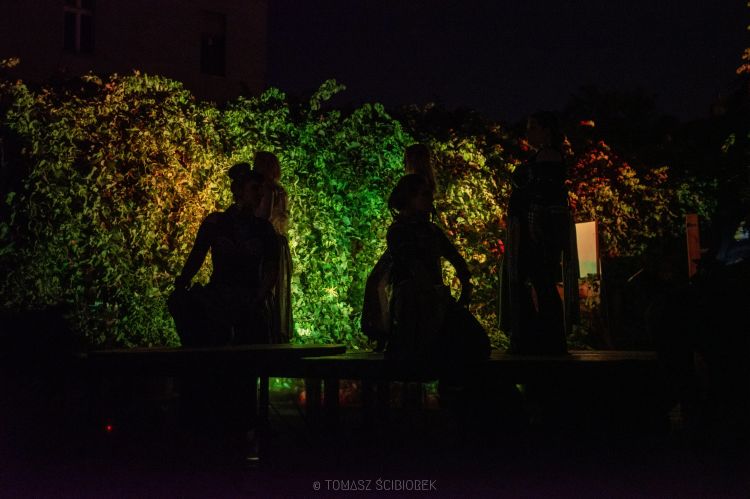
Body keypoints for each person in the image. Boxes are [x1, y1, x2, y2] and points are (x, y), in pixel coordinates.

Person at [170, 163, 280, 347]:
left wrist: (258, 297)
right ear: (239, 191)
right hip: (219, 295)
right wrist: (182, 283)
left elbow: (272, 268)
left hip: (247, 297)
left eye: (261, 189)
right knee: (183, 305)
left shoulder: (264, 229)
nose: (261, 194)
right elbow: (197, 256)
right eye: (255, 188)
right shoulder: (216, 222)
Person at [383, 173, 490, 363]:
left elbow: (456, 259)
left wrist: (465, 288)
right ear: (409, 198)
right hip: (412, 306)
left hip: (435, 301)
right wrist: (442, 301)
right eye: (424, 194)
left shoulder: (430, 231)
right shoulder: (399, 232)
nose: (430, 199)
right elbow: (415, 268)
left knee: (477, 344)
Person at [503, 110, 577, 354]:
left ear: (547, 131)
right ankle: (543, 337)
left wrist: (534, 230)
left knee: (540, 280)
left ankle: (547, 339)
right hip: (535, 227)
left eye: (533, 127)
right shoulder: (544, 156)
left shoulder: (548, 157)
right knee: (539, 280)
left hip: (537, 229)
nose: (528, 132)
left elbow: (543, 197)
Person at [361, 143, 437, 350]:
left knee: (377, 282)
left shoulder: (417, 183)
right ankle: (385, 331)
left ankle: (382, 332)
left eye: (406, 158)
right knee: (383, 284)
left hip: (405, 242)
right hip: (409, 241)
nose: (404, 163)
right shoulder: (426, 183)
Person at [253, 151, 294, 343]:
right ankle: (275, 331)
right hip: (279, 242)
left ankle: (268, 332)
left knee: (266, 287)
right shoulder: (279, 190)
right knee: (276, 290)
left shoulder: (268, 189)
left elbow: (264, 217)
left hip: (269, 242)